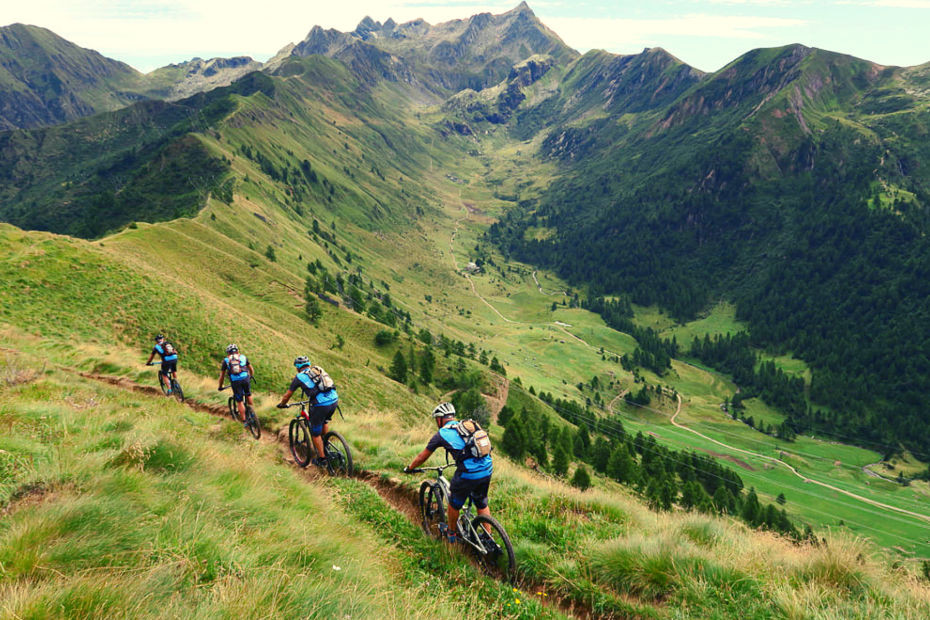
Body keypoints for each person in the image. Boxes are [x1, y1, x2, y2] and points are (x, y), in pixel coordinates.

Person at [403, 402, 494, 544]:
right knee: (481, 502)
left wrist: (409, 468)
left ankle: (451, 534)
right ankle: (489, 537)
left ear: (439, 419)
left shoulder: (441, 434)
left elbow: (422, 457)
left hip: (468, 473)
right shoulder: (467, 425)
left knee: (454, 504)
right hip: (487, 468)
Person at [276, 356, 339, 467]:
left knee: (315, 434)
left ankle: (322, 459)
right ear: (309, 364)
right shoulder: (317, 370)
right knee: (324, 421)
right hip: (334, 400)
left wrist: (282, 404)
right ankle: (326, 444)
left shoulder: (299, 377)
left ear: (297, 367)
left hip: (321, 404)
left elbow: (287, 395)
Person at [218, 344, 255, 425]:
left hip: (235, 381)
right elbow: (251, 369)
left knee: (239, 401)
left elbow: (222, 376)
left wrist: (220, 386)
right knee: (248, 395)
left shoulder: (226, 360)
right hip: (245, 378)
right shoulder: (243, 357)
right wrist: (251, 376)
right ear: (237, 351)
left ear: (228, 353)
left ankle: (245, 421)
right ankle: (253, 414)